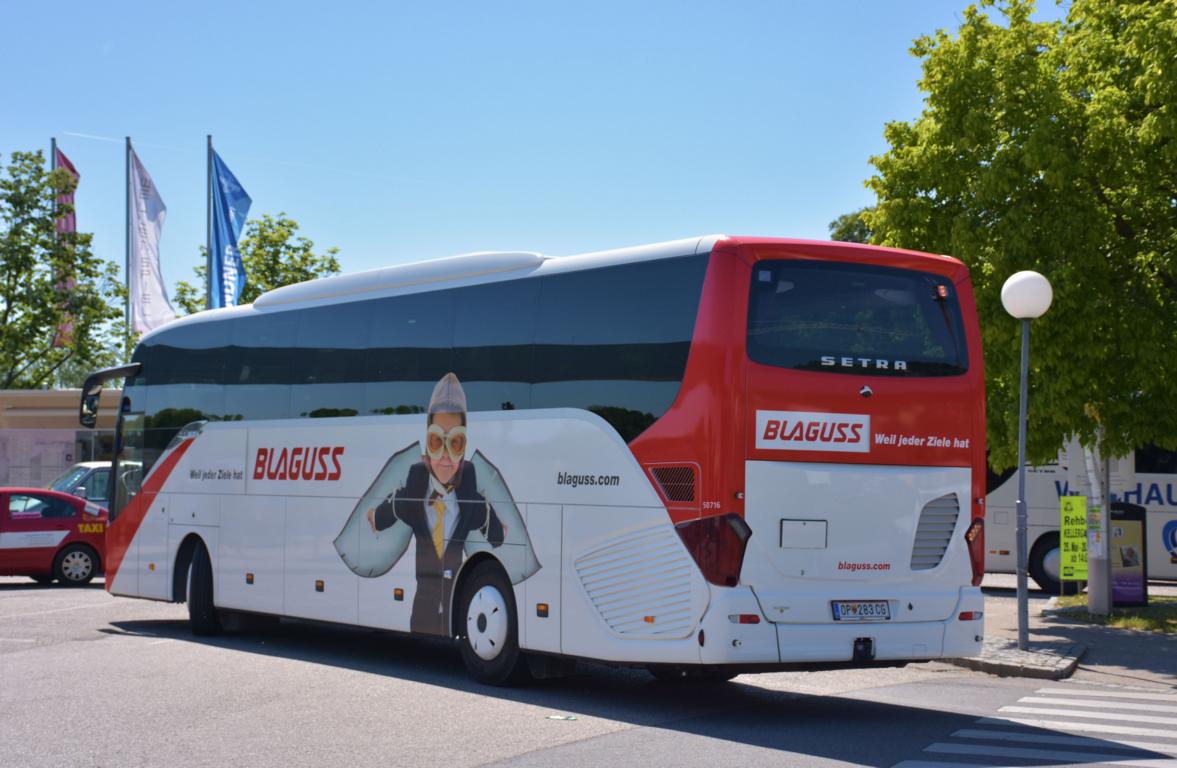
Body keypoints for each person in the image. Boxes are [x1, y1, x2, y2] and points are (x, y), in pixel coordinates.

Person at [366, 373, 504, 635]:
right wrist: (374, 517)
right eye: (436, 442)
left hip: (456, 602)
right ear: (427, 445)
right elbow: (381, 514)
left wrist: (498, 531)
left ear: (464, 448)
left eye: (455, 443)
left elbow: (498, 533)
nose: (444, 457)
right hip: (422, 608)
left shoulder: (472, 502)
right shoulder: (412, 494)